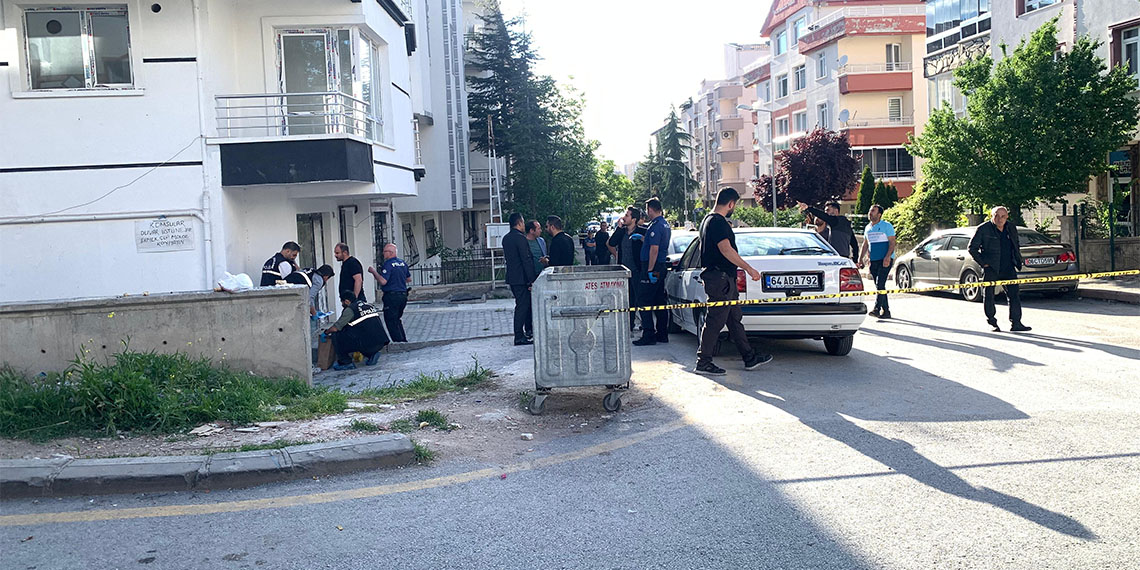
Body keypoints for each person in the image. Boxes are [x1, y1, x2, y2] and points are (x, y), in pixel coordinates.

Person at [695, 188, 773, 374]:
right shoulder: (718, 222)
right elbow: (726, 249)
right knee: (715, 320)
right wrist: (749, 268)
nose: (734, 208)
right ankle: (703, 361)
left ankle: (749, 357)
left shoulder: (707, 220)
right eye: (735, 205)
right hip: (720, 279)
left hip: (722, 278)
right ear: (731, 204)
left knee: (733, 319)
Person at [969, 206, 1031, 332]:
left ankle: (1016, 323)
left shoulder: (1011, 227)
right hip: (991, 267)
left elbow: (1015, 244)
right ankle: (992, 322)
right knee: (989, 295)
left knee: (1014, 294)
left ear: (1007, 217)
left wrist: (1017, 260)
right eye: (996, 216)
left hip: (1008, 266)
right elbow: (972, 248)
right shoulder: (983, 229)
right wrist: (984, 263)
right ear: (992, 216)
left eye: (1003, 216)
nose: (1000, 219)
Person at [633, 197, 671, 346]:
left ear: (650, 209)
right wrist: (643, 239)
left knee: (644, 300)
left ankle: (648, 334)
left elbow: (654, 250)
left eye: (647, 209)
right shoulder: (664, 224)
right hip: (660, 266)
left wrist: (649, 270)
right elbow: (654, 243)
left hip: (653, 267)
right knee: (658, 300)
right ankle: (662, 333)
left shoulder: (655, 226)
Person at [324, 291, 389, 371]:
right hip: (380, 341)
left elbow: (336, 328)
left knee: (336, 335)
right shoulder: (368, 305)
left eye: (342, 302)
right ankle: (372, 354)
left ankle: (346, 362)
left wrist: (326, 332)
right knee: (359, 334)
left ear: (347, 301)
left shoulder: (351, 309)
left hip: (367, 342)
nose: (342, 304)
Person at [608, 206, 646, 332]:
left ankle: (645, 326)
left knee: (639, 298)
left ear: (634, 219)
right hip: (623, 272)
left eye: (627, 215)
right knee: (626, 299)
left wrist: (641, 239)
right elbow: (612, 243)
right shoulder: (622, 232)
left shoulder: (642, 231)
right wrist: (619, 228)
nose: (624, 217)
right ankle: (629, 325)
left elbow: (649, 246)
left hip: (637, 270)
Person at [503, 212, 538, 346]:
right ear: (519, 223)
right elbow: (526, 260)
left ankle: (521, 334)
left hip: (512, 277)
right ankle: (519, 336)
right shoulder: (520, 238)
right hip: (521, 278)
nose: (524, 225)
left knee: (521, 305)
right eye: (523, 223)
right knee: (522, 307)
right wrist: (531, 279)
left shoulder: (506, 238)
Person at [858, 204, 896, 319]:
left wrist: (888, 257)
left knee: (880, 283)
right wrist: (860, 259)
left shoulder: (886, 226)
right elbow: (865, 244)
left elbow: (892, 243)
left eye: (873, 211)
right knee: (879, 286)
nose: (870, 213)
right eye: (870, 211)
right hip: (873, 260)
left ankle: (877, 308)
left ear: (879, 214)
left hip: (885, 259)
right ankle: (886, 311)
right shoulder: (868, 228)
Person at [367, 244, 411, 343]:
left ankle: (398, 342)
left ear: (391, 253)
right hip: (403, 295)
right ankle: (403, 340)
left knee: (391, 320)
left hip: (391, 296)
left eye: (385, 251)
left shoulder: (388, 264)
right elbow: (408, 279)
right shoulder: (402, 263)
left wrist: (374, 272)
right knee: (397, 319)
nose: (383, 253)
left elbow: (383, 281)